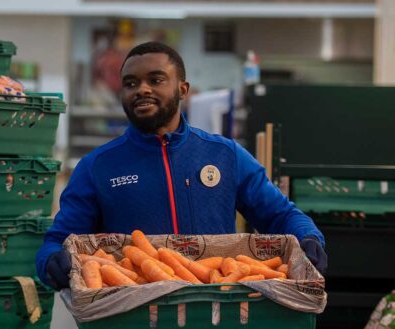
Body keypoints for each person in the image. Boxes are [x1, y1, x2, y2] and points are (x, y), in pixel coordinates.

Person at [36, 41, 327, 290]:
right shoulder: (96, 167)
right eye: (131, 83)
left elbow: (280, 214)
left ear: (183, 89)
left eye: (156, 79)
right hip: (132, 312)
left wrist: (309, 237)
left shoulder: (225, 155)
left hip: (215, 307)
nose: (142, 89)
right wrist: (51, 262)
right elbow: (59, 239)